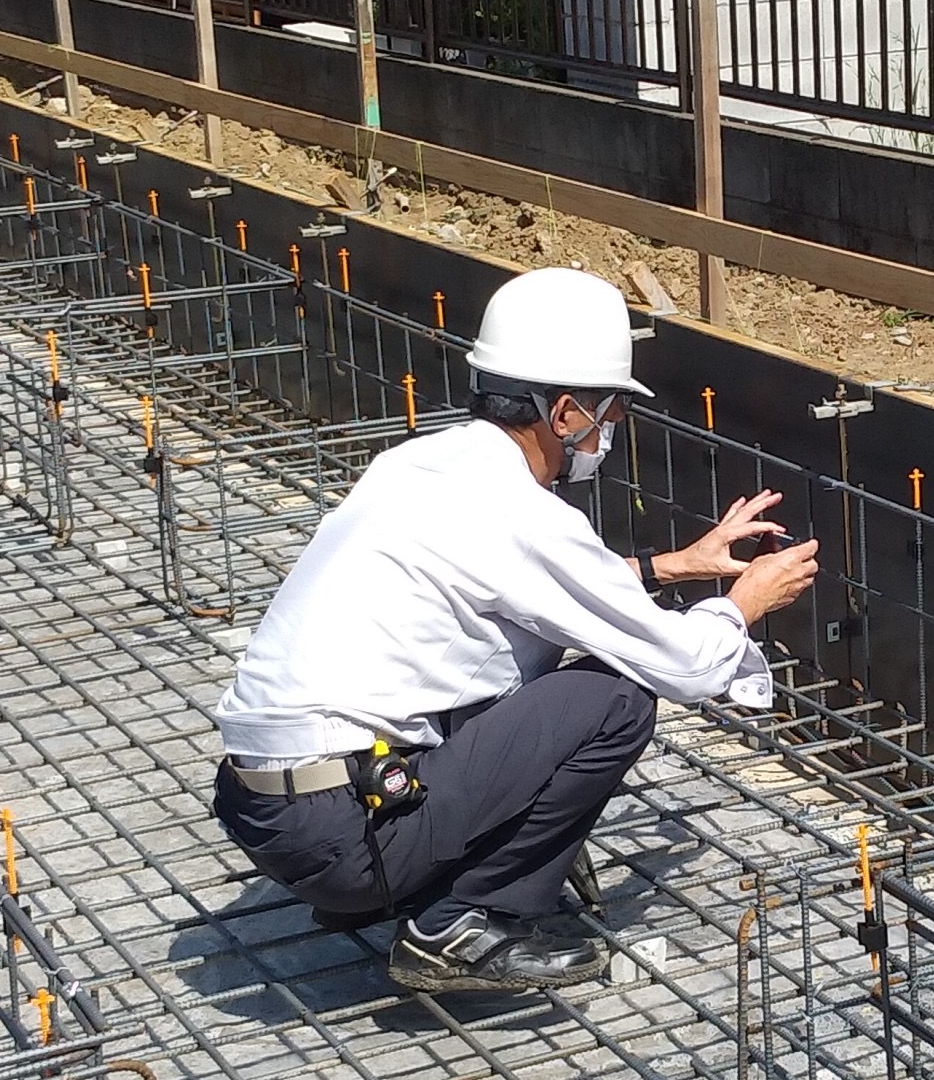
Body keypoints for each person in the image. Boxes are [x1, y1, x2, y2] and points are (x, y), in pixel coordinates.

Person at [211, 267, 822, 992]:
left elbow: (535, 587)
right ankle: (459, 921)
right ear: (565, 413)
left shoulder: (417, 464)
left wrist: (674, 565)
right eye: (612, 412)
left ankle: (441, 870)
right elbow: (687, 664)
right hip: (343, 834)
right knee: (615, 698)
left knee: (526, 665)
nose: (613, 430)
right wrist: (744, 601)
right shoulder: (522, 514)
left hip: (267, 808)